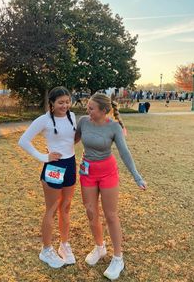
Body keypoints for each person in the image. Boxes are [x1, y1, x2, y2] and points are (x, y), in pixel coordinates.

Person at [75, 93, 146, 281]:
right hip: (87, 171)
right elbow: (72, 140)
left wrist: (137, 177)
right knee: (91, 211)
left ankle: (117, 258)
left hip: (107, 173)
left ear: (104, 111)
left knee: (111, 215)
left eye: (91, 108)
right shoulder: (83, 121)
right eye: (88, 107)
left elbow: (124, 152)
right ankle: (99, 247)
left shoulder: (114, 127)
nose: (87, 111)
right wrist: (54, 149)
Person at [18, 86, 77, 269]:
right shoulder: (43, 120)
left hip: (70, 164)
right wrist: (45, 157)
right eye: (60, 102)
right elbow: (23, 141)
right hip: (54, 167)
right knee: (51, 209)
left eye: (67, 101)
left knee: (65, 207)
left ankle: (64, 244)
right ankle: (46, 250)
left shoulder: (72, 116)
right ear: (51, 103)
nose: (65, 105)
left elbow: (71, 139)